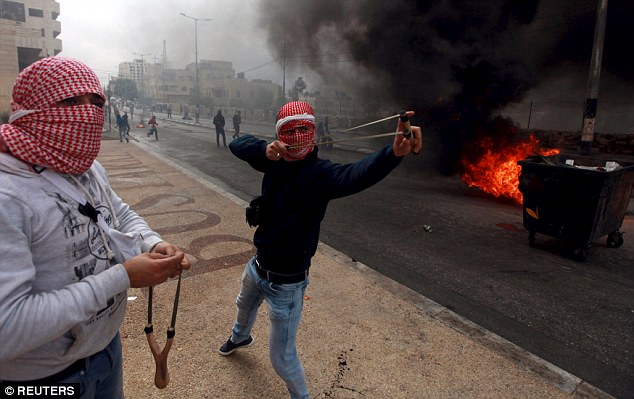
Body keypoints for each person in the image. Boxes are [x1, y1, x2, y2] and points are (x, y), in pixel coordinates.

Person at [0, 56, 191, 396]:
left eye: (96, 101)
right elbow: (7, 329)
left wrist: (151, 243)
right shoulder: (7, 193)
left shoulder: (85, 166)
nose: (87, 112)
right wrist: (123, 277)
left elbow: (117, 212)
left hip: (106, 353)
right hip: (43, 380)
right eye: (71, 101)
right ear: (31, 108)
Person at [220, 101, 422, 398]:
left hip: (286, 284)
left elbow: (356, 174)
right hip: (258, 264)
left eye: (305, 128)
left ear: (313, 132)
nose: (298, 135)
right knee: (243, 305)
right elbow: (237, 143)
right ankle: (240, 337)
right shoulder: (275, 159)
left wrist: (392, 154)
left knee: (282, 360)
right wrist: (265, 150)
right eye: (290, 130)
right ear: (280, 134)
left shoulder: (320, 174)